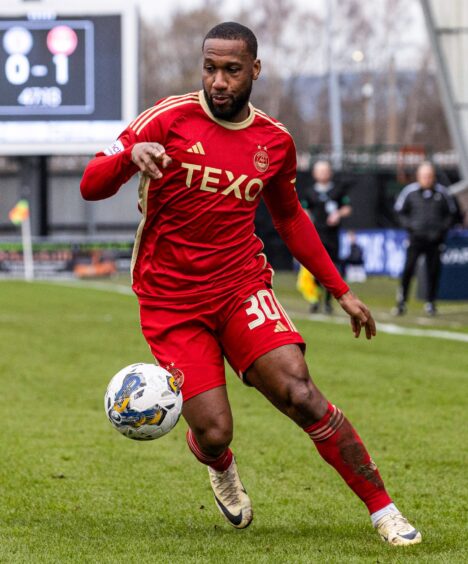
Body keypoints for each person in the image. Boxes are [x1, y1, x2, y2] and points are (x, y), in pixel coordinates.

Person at [80, 22, 421, 546]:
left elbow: (290, 220)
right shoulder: (167, 119)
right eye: (210, 68)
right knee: (214, 430)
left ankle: (384, 510)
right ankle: (218, 462)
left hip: (241, 287)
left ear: (253, 71)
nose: (219, 81)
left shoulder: (274, 141)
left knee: (301, 391)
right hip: (170, 301)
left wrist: (341, 290)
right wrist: (130, 158)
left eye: (231, 70)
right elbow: (91, 183)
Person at [393, 161, 458, 316]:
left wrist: (441, 230)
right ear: (418, 176)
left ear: (433, 176)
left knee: (433, 271)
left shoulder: (442, 193)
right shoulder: (410, 192)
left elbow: (452, 214)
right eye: (424, 176)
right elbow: (399, 212)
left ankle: (430, 302)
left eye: (429, 176)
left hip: (435, 240)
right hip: (415, 238)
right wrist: (411, 227)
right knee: (408, 269)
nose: (427, 179)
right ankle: (402, 301)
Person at [304, 161, 352, 313]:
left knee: (332, 268)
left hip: (332, 235)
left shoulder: (337, 190)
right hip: (315, 235)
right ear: (314, 174)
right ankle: (315, 299)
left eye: (326, 171)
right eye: (320, 171)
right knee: (316, 269)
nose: (323, 174)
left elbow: (347, 208)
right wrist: (308, 221)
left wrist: (338, 214)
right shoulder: (310, 192)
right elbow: (304, 209)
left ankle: (329, 302)